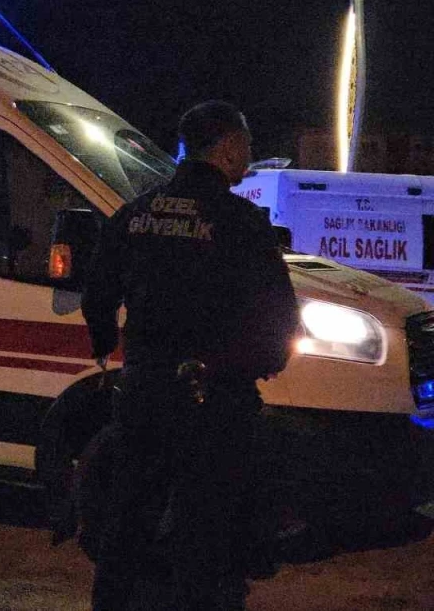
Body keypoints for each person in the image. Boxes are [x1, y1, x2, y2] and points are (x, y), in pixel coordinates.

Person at [81, 101, 300, 610]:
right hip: (214, 399)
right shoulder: (240, 222)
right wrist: (263, 363)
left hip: (143, 392)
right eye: (246, 144)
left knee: (128, 518)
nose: (249, 154)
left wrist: (105, 345)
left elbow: (97, 295)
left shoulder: (134, 215)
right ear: (227, 148)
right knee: (205, 531)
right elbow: (280, 316)